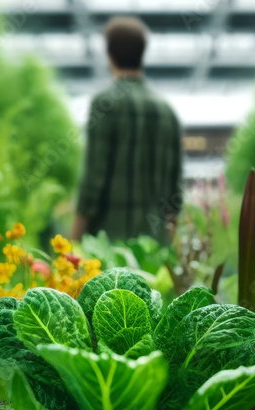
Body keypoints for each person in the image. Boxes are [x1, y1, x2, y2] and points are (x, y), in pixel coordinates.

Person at [70, 17, 183, 245]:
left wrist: (73, 239)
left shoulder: (105, 104)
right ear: (142, 54)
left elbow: (93, 180)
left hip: (109, 244)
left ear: (109, 55)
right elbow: (174, 191)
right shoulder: (167, 112)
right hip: (154, 246)